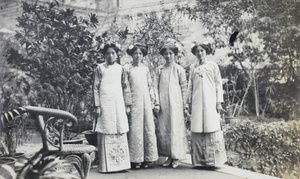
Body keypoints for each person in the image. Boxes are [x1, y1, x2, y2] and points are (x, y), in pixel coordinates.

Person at [187, 43, 227, 168]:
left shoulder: (213, 66)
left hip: (210, 101)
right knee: (198, 127)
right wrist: (188, 102)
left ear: (206, 52)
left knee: (211, 126)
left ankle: (213, 162)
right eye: (197, 51)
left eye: (202, 51)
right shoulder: (193, 67)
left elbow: (218, 84)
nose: (200, 53)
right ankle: (199, 161)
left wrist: (218, 102)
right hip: (197, 102)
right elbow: (190, 85)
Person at [93, 42, 131, 173]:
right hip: (105, 103)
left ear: (116, 55)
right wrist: (97, 105)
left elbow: (126, 87)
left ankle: (121, 164)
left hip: (118, 102)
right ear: (104, 55)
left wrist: (128, 105)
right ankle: (106, 165)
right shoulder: (99, 69)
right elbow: (95, 88)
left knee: (119, 126)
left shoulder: (121, 69)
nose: (110, 55)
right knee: (106, 127)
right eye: (107, 53)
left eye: (113, 53)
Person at [124, 43, 158, 169]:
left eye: (140, 53)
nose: (138, 56)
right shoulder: (127, 68)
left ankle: (148, 158)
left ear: (143, 55)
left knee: (147, 128)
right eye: (135, 53)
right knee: (136, 129)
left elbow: (150, 86)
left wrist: (153, 101)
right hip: (135, 102)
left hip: (146, 103)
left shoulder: (145, 68)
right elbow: (126, 87)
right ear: (132, 55)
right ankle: (136, 159)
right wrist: (128, 104)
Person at [155, 44, 189, 168]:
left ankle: (176, 157)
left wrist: (184, 104)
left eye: (170, 53)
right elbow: (155, 86)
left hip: (176, 103)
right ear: (163, 55)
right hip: (164, 103)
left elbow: (184, 87)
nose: (168, 56)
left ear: (174, 54)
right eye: (166, 54)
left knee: (175, 128)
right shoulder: (160, 69)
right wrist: (157, 102)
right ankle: (169, 156)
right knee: (165, 128)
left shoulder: (179, 69)